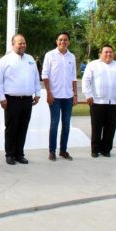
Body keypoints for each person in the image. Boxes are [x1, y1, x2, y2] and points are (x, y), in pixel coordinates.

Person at [0, 34, 41, 165]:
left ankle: (19, 154)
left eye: (24, 43)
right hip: (11, 100)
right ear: (13, 44)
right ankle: (9, 154)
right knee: (11, 128)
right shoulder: (5, 60)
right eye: (20, 43)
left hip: (27, 100)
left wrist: (37, 93)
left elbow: (36, 78)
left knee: (23, 127)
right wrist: (2, 98)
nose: (22, 45)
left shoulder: (30, 59)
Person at [82, 45, 116, 158]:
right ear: (100, 54)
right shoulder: (93, 65)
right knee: (96, 127)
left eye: (110, 52)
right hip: (97, 102)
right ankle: (95, 150)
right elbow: (86, 80)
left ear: (113, 54)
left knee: (110, 128)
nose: (108, 54)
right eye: (106, 52)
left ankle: (106, 150)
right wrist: (88, 95)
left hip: (114, 103)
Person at [41, 32, 78, 161]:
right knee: (54, 123)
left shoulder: (71, 57)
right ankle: (52, 151)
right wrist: (49, 93)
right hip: (54, 96)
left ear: (69, 42)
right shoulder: (50, 55)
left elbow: (73, 77)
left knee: (66, 124)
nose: (63, 42)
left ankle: (63, 150)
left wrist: (75, 95)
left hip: (67, 96)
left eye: (66, 40)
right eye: (61, 40)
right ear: (57, 41)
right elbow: (45, 75)